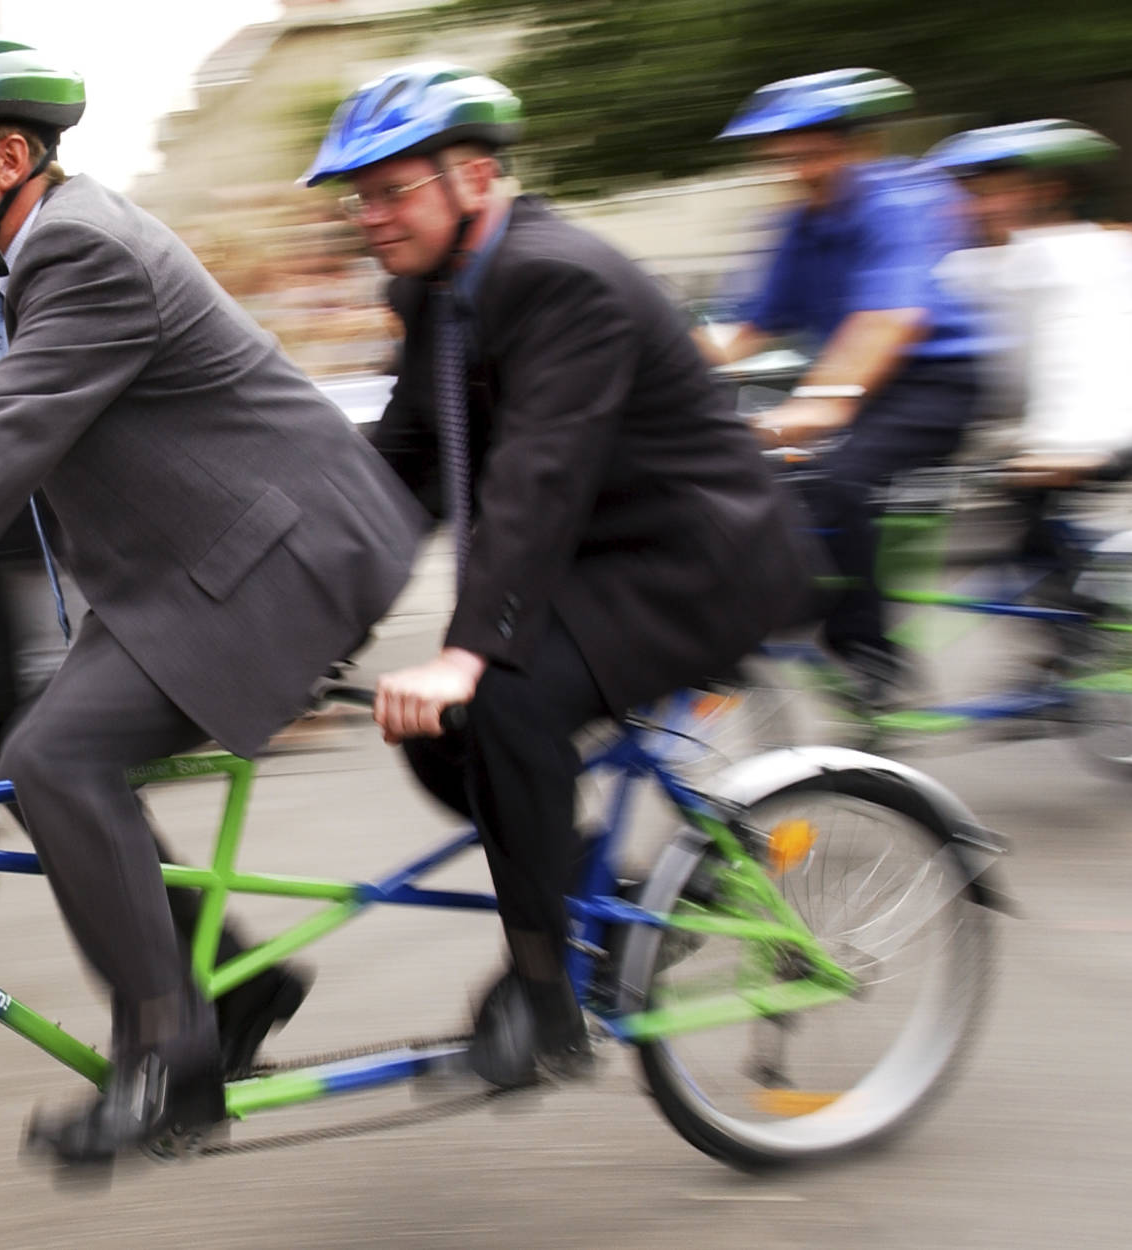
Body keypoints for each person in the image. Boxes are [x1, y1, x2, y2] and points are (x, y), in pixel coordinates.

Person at [0, 34, 424, 1165]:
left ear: (4, 155)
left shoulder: (87, 251)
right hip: (190, 570)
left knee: (57, 758)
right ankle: (229, 990)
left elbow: (2, 443)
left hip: (284, 562)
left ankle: (171, 1053)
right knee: (55, 749)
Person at [304, 65, 817, 1087]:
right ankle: (616, 893)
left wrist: (464, 653)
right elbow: (399, 470)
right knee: (434, 729)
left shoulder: (559, 275)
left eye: (392, 189)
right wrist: (293, 608)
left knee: (500, 705)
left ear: (478, 177)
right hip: (602, 558)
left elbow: (539, 473)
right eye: (357, 196)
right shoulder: (432, 289)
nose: (369, 216)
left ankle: (546, 1000)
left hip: (697, 561)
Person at [707, 68, 987, 706]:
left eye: (815, 151)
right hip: (851, 378)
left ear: (859, 147)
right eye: (787, 156)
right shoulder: (796, 228)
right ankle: (768, 602)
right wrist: (653, 369)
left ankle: (868, 649)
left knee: (836, 480)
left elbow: (890, 318)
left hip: (932, 381)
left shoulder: (899, 204)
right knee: (741, 473)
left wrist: (825, 399)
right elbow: (746, 325)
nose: (801, 168)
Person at [923, 121, 1132, 644]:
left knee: (1033, 546)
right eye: (971, 194)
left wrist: (1074, 444)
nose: (977, 206)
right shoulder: (980, 265)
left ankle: (1088, 651)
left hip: (1126, 420)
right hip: (1049, 433)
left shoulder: (1094, 255)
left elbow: (1087, 355)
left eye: (994, 191)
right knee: (1024, 551)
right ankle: (1074, 653)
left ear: (1048, 191)